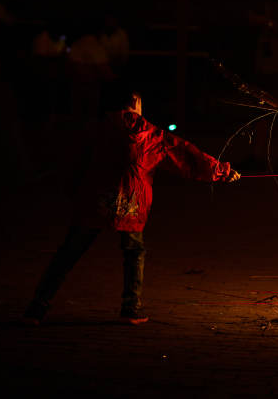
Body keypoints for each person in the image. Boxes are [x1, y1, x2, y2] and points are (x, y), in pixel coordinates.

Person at [23, 84, 241, 325]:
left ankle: (37, 307)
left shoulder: (96, 129)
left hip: (95, 200)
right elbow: (184, 155)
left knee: (69, 252)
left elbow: (75, 161)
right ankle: (131, 307)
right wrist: (221, 172)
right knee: (134, 252)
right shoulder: (151, 134)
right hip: (131, 201)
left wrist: (72, 191)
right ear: (135, 102)